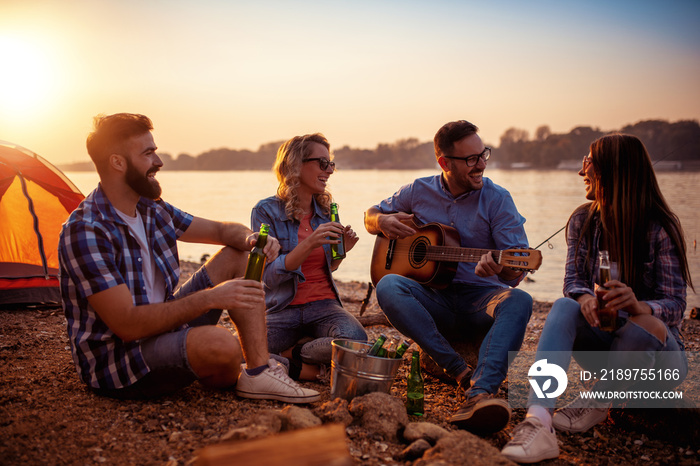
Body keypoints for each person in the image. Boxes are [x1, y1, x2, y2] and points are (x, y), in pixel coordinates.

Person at [58, 113, 320, 403]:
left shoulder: (151, 208)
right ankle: (237, 365)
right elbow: (128, 325)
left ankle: (258, 372)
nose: (158, 161)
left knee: (239, 256)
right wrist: (211, 298)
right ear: (118, 162)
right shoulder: (86, 230)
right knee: (222, 345)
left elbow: (222, 230)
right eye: (148, 153)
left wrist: (251, 239)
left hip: (162, 326)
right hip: (118, 360)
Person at [502, 134, 692, 463]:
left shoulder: (661, 228)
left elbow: (676, 306)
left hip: (660, 361)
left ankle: (599, 399)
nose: (581, 172)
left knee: (643, 323)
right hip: (605, 350)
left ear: (614, 171)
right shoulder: (582, 220)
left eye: (588, 163)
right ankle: (538, 419)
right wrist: (584, 297)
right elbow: (572, 282)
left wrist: (638, 306)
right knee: (564, 305)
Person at [364, 120, 533, 435]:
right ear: (444, 162)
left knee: (519, 300)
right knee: (388, 284)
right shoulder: (418, 190)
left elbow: (516, 273)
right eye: (471, 159)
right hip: (434, 300)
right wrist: (383, 220)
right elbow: (370, 215)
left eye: (484, 155)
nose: (481, 164)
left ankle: (480, 393)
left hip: (480, 302)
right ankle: (458, 370)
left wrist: (502, 268)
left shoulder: (498, 199)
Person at [250, 133, 367, 380]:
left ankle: (297, 352)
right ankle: (304, 368)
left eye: (331, 163)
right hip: (282, 309)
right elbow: (268, 277)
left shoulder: (325, 211)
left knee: (356, 340)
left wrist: (342, 252)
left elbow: (326, 269)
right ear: (295, 165)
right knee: (243, 349)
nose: (330, 171)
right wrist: (310, 243)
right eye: (322, 163)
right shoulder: (266, 211)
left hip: (324, 306)